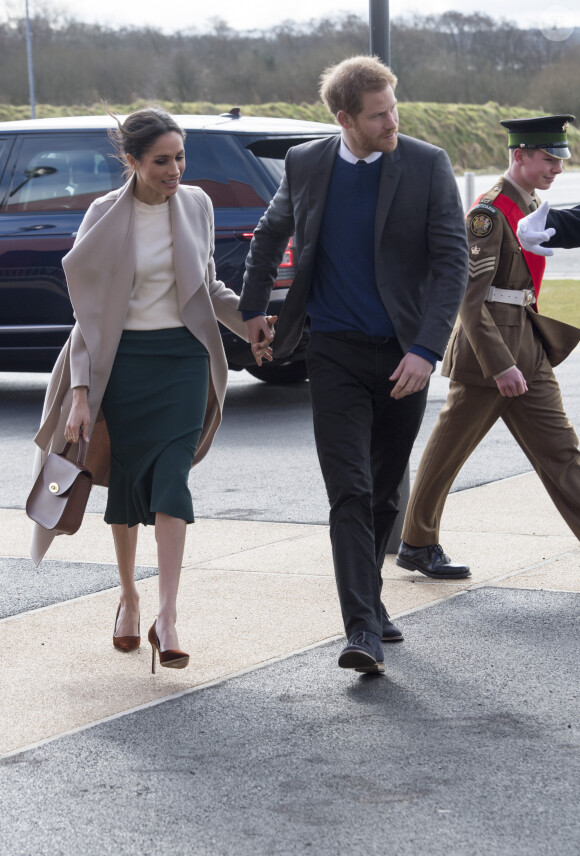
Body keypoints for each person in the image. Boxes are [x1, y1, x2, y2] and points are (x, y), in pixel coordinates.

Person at [239, 56, 468, 674]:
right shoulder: (307, 162)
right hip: (333, 350)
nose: (392, 120)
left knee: (386, 490)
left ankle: (372, 602)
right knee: (350, 489)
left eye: (394, 108)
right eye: (379, 114)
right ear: (345, 119)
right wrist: (253, 307)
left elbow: (453, 263)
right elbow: (269, 233)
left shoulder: (425, 164)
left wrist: (426, 350)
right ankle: (361, 627)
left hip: (403, 355)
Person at [30, 107, 273, 673]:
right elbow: (89, 315)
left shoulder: (197, 205)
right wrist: (83, 394)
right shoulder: (104, 215)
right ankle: (129, 598)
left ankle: (167, 614)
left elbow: (207, 285)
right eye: (161, 161)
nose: (175, 170)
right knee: (127, 485)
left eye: (180, 158)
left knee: (172, 478)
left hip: (185, 361)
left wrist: (251, 322)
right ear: (132, 162)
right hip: (124, 365)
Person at [397, 114, 580, 578]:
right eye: (547, 158)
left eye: (561, 159)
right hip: (487, 359)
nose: (557, 168)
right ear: (519, 156)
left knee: (563, 453)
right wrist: (500, 366)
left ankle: (416, 542)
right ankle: (417, 542)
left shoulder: (533, 205)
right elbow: (469, 300)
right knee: (446, 454)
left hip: (528, 349)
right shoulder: (489, 212)